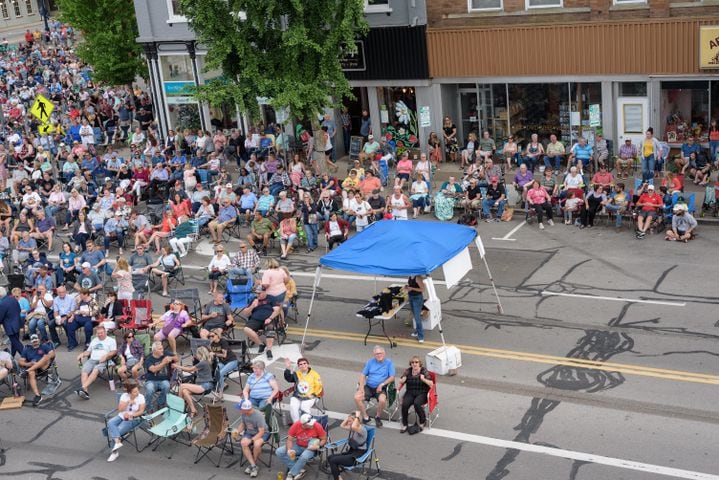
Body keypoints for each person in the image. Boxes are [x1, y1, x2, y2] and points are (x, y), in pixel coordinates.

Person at [276, 412, 328, 480]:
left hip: (311, 448)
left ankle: (292, 473)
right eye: (310, 425)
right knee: (279, 451)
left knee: (304, 456)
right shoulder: (296, 425)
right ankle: (299, 470)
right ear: (303, 424)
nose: (312, 425)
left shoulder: (317, 425)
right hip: (298, 445)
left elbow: (324, 439)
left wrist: (318, 446)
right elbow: (289, 439)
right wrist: (289, 449)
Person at [354, 345, 395, 427]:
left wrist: (382, 384)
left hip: (381, 388)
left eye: (380, 353)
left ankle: (378, 416)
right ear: (374, 355)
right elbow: (362, 375)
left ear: (384, 353)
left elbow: (392, 377)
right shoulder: (370, 362)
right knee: (357, 397)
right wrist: (361, 388)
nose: (379, 355)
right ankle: (365, 417)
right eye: (376, 354)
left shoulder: (389, 363)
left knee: (382, 400)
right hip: (369, 386)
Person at [106, 381, 146, 462]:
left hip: (133, 418)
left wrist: (132, 415)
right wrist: (128, 402)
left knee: (117, 430)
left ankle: (114, 452)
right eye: (135, 391)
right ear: (129, 392)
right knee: (110, 422)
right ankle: (117, 442)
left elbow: (141, 411)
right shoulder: (124, 396)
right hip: (122, 415)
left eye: (137, 390)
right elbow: (120, 409)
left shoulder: (141, 397)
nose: (137, 392)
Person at [75, 325, 117, 400]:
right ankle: (85, 392)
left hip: (103, 360)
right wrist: (83, 354)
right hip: (92, 359)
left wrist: (106, 356)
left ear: (105, 332)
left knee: (95, 370)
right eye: (98, 333)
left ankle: (83, 387)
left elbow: (114, 352)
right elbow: (89, 351)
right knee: (84, 371)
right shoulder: (94, 340)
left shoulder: (111, 340)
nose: (99, 335)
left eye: (101, 333)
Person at [241, 287, 283, 360]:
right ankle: (261, 344)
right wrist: (252, 306)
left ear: (264, 292)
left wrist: (270, 318)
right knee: (246, 329)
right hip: (255, 319)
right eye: (256, 293)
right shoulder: (254, 300)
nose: (257, 295)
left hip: (268, 319)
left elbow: (277, 311)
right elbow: (246, 313)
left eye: (259, 293)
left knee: (270, 328)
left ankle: (269, 350)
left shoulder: (272, 298)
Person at [174, 346, 214, 418]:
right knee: (185, 391)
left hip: (204, 385)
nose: (196, 355)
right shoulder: (206, 361)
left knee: (181, 386)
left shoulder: (203, 363)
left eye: (197, 354)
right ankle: (193, 409)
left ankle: (179, 407)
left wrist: (177, 366)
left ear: (200, 354)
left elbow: (190, 370)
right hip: (203, 385)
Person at [231, 399, 268, 478]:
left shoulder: (258, 416)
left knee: (257, 444)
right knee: (243, 443)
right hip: (249, 432)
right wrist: (237, 431)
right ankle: (254, 466)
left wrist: (251, 440)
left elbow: (261, 432)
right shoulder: (244, 414)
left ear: (246, 409)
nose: (239, 410)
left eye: (240, 408)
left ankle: (253, 464)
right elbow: (243, 424)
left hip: (263, 433)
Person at [327, 412, 368, 480]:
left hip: (357, 456)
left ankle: (337, 478)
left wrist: (357, 416)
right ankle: (338, 473)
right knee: (330, 457)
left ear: (356, 421)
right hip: (352, 451)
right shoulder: (354, 428)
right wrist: (349, 417)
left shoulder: (362, 429)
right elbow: (342, 425)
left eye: (350, 421)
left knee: (333, 460)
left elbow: (354, 426)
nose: (348, 423)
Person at [18, 334, 56, 406]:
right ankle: (38, 396)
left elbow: (52, 354)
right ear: (31, 341)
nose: (35, 342)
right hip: (32, 367)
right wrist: (29, 364)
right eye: (33, 341)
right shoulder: (27, 349)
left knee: (45, 357)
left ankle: (27, 371)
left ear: (39, 340)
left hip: (44, 367)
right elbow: (20, 361)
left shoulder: (44, 346)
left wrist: (46, 357)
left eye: (36, 340)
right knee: (31, 373)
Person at [398, 356, 433, 433]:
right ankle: (405, 424)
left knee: (417, 403)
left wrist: (423, 379)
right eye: (412, 362)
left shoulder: (424, 371)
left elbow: (431, 384)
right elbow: (400, 380)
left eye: (416, 362)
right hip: (410, 392)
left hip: (422, 392)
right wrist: (402, 380)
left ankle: (422, 421)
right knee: (405, 404)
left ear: (420, 363)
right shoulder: (408, 371)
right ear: (410, 364)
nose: (414, 364)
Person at [283, 357, 323, 423]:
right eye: (300, 364)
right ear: (298, 366)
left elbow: (319, 386)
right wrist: (288, 368)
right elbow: (289, 379)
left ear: (308, 364)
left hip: (311, 396)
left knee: (304, 406)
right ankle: (297, 425)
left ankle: (307, 424)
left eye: (304, 363)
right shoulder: (297, 374)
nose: (303, 365)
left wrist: (313, 395)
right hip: (298, 395)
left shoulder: (315, 374)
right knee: (293, 406)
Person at [144, 341, 179, 412]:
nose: (162, 350)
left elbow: (177, 358)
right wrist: (164, 363)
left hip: (164, 380)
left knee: (167, 386)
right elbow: (153, 369)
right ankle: (148, 407)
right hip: (151, 380)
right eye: (160, 349)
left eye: (162, 348)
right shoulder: (148, 359)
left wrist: (171, 358)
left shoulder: (165, 353)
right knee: (150, 389)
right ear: (154, 350)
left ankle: (160, 403)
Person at [406, 275, 426, 343]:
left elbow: (422, 289)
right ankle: (417, 331)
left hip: (417, 299)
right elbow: (411, 285)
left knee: (417, 318)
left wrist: (412, 288)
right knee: (415, 315)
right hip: (411, 297)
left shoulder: (418, 278)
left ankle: (421, 336)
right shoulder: (410, 276)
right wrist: (407, 288)